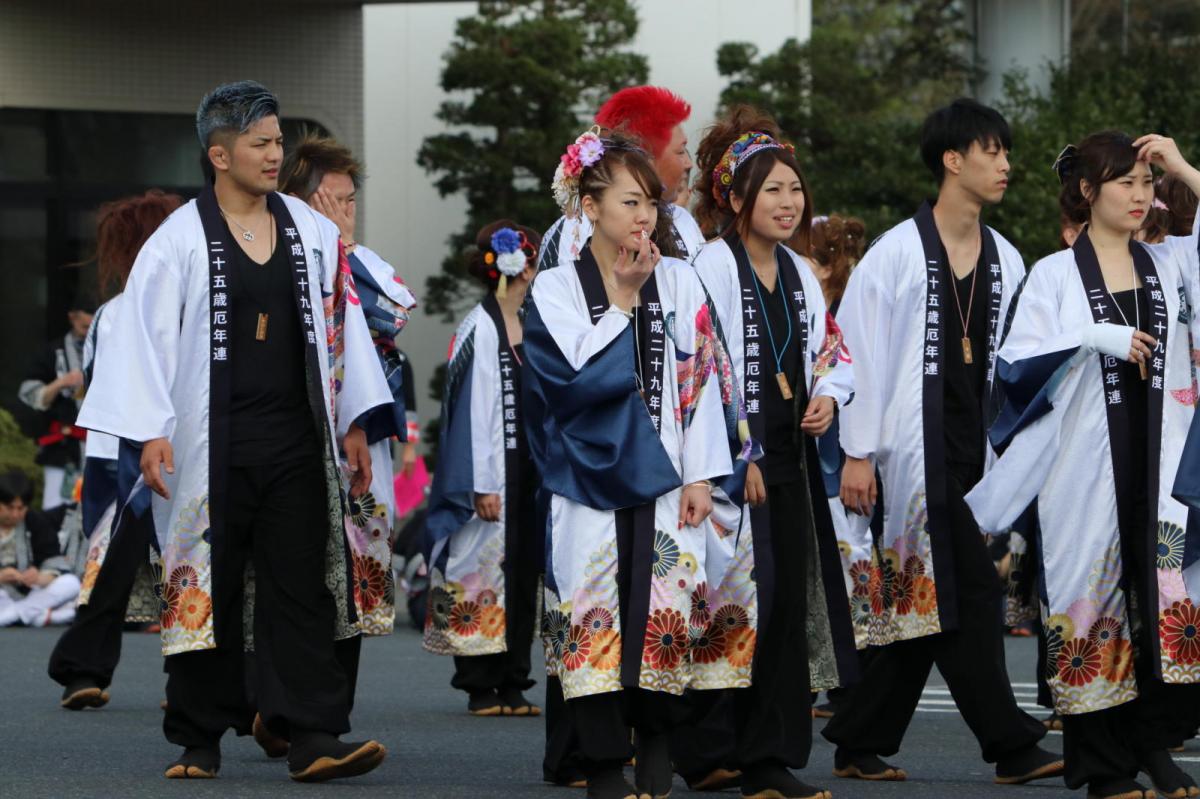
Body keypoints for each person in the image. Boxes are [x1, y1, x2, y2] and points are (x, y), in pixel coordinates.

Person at [75, 80, 392, 782]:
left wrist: (353, 424)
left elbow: (342, 332)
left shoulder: (310, 232)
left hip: (293, 438)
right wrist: (151, 430)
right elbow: (143, 340)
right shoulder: (178, 240)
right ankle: (198, 736)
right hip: (208, 444)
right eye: (260, 144)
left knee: (299, 583)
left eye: (277, 141)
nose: (275, 155)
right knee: (204, 583)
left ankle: (310, 733)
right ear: (219, 154)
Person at [820, 98, 1062, 785]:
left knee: (926, 608)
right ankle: (1011, 745)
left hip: (974, 458)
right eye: (993, 151)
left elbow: (1019, 364)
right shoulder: (895, 255)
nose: (1006, 165)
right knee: (971, 596)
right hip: (907, 461)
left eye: (1007, 153)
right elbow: (856, 356)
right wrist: (858, 453)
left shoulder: (1008, 259)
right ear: (953, 161)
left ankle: (858, 737)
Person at [967, 131, 1200, 799]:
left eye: (1147, 183)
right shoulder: (1053, 274)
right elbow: (1012, 370)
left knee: (1159, 604)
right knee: (1091, 604)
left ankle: (1151, 745)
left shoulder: (1166, 264)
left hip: (1159, 462)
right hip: (1084, 468)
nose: (1140, 194)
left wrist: (1182, 166)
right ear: (1088, 191)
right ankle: (1103, 767)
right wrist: (1089, 338)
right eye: (1125, 181)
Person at [525, 129, 746, 799]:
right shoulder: (557, 289)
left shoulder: (679, 278)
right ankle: (602, 765)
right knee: (591, 613)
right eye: (628, 200)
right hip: (584, 480)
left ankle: (656, 746)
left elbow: (702, 382)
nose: (644, 215)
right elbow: (569, 382)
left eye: (650, 200)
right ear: (589, 207)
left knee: (665, 609)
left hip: (666, 475)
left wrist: (704, 472)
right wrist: (621, 300)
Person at [690, 106, 858, 799]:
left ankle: (767, 756)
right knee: (728, 609)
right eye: (772, 190)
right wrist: (741, 454)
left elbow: (833, 352)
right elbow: (703, 368)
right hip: (735, 469)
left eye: (796, 189)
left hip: (790, 459)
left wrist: (831, 393)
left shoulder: (796, 269)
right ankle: (710, 749)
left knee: (784, 607)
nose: (789, 203)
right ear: (734, 199)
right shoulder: (710, 264)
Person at [48, 190, 183, 710]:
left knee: (113, 571)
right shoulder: (157, 309)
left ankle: (83, 671)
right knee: (187, 568)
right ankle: (184, 680)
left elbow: (95, 387)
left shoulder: (109, 314)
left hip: (114, 454)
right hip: (155, 453)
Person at [423, 220, 543, 718]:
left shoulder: (536, 322)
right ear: (516, 267)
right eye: (532, 262)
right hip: (492, 470)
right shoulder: (480, 326)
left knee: (522, 570)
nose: (537, 271)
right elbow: (472, 412)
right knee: (480, 567)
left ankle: (514, 679)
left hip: (531, 469)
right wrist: (481, 482)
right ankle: (479, 683)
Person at [538, 86, 704, 271]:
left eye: (651, 205)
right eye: (681, 151)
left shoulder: (682, 220)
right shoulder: (576, 229)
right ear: (644, 157)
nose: (688, 163)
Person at [18, 298, 94, 510]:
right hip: (63, 447)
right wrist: (62, 382)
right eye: (84, 326)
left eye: (92, 327)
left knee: (94, 510)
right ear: (72, 317)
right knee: (58, 508)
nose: (88, 332)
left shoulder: (106, 351)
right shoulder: (52, 352)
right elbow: (30, 395)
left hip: (99, 447)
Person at [0, 470, 78, 627]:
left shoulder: (34, 521)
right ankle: (40, 616)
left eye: (21, 508)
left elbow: (53, 561)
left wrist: (40, 577)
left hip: (29, 593)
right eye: (10, 507)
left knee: (71, 583)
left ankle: (15, 614)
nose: (15, 514)